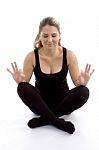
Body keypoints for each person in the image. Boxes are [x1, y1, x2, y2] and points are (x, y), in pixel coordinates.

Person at [7, 17, 94, 134]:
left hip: (63, 103)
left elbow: (77, 83)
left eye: (53, 35)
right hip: (39, 104)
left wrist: (82, 82)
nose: (49, 40)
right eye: (45, 36)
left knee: (84, 91)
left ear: (59, 36)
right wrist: (19, 81)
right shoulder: (31, 56)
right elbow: (25, 84)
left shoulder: (69, 55)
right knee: (22, 87)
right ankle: (57, 122)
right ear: (39, 37)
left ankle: (43, 120)